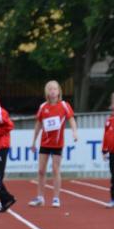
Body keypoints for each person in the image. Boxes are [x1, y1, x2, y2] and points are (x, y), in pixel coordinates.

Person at [29, 80, 78, 208]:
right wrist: (33, 141)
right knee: (41, 170)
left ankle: (56, 198)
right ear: (47, 92)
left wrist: (74, 132)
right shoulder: (43, 107)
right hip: (44, 143)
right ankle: (40, 198)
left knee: (56, 170)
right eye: (50, 89)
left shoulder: (64, 105)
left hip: (57, 144)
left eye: (55, 89)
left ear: (59, 91)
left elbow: (71, 119)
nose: (52, 91)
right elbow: (38, 125)